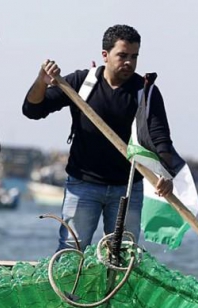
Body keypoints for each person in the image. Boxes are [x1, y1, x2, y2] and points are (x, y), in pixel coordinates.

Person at [23, 24, 174, 251]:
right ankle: (67, 287)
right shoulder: (81, 83)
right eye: (122, 55)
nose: (129, 63)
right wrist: (41, 80)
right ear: (105, 55)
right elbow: (33, 110)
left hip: (127, 187)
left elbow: (160, 136)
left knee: (123, 255)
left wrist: (165, 172)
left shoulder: (146, 91)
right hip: (83, 185)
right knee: (71, 251)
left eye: (134, 56)